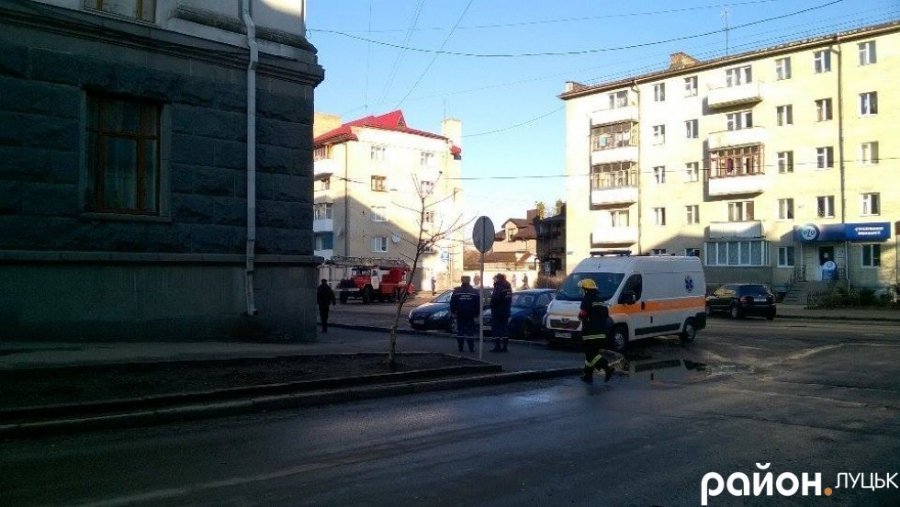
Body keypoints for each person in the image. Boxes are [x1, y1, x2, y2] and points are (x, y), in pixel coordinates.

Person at [577, 278, 615, 383]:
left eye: (582, 289)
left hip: (590, 333)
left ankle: (607, 368)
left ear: (586, 290)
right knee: (591, 354)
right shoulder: (601, 301)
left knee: (590, 354)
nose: (581, 291)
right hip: (602, 333)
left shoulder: (587, 299)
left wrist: (581, 317)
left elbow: (582, 314)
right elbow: (606, 315)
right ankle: (588, 376)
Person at [449, 275, 480, 353]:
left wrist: (453, 312)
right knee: (470, 331)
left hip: (460, 313)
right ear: (469, 281)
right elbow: (478, 304)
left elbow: (452, 303)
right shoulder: (474, 292)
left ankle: (460, 348)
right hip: (470, 314)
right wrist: (477, 314)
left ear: (461, 281)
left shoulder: (457, 291)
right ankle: (471, 348)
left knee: (460, 331)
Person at [489, 273, 513, 352]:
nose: (494, 280)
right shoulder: (508, 286)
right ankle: (505, 346)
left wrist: (491, 304)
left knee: (496, 329)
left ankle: (497, 346)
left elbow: (496, 298)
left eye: (495, 279)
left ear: (498, 278)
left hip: (497, 311)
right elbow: (509, 299)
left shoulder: (499, 286)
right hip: (506, 311)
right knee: (504, 329)